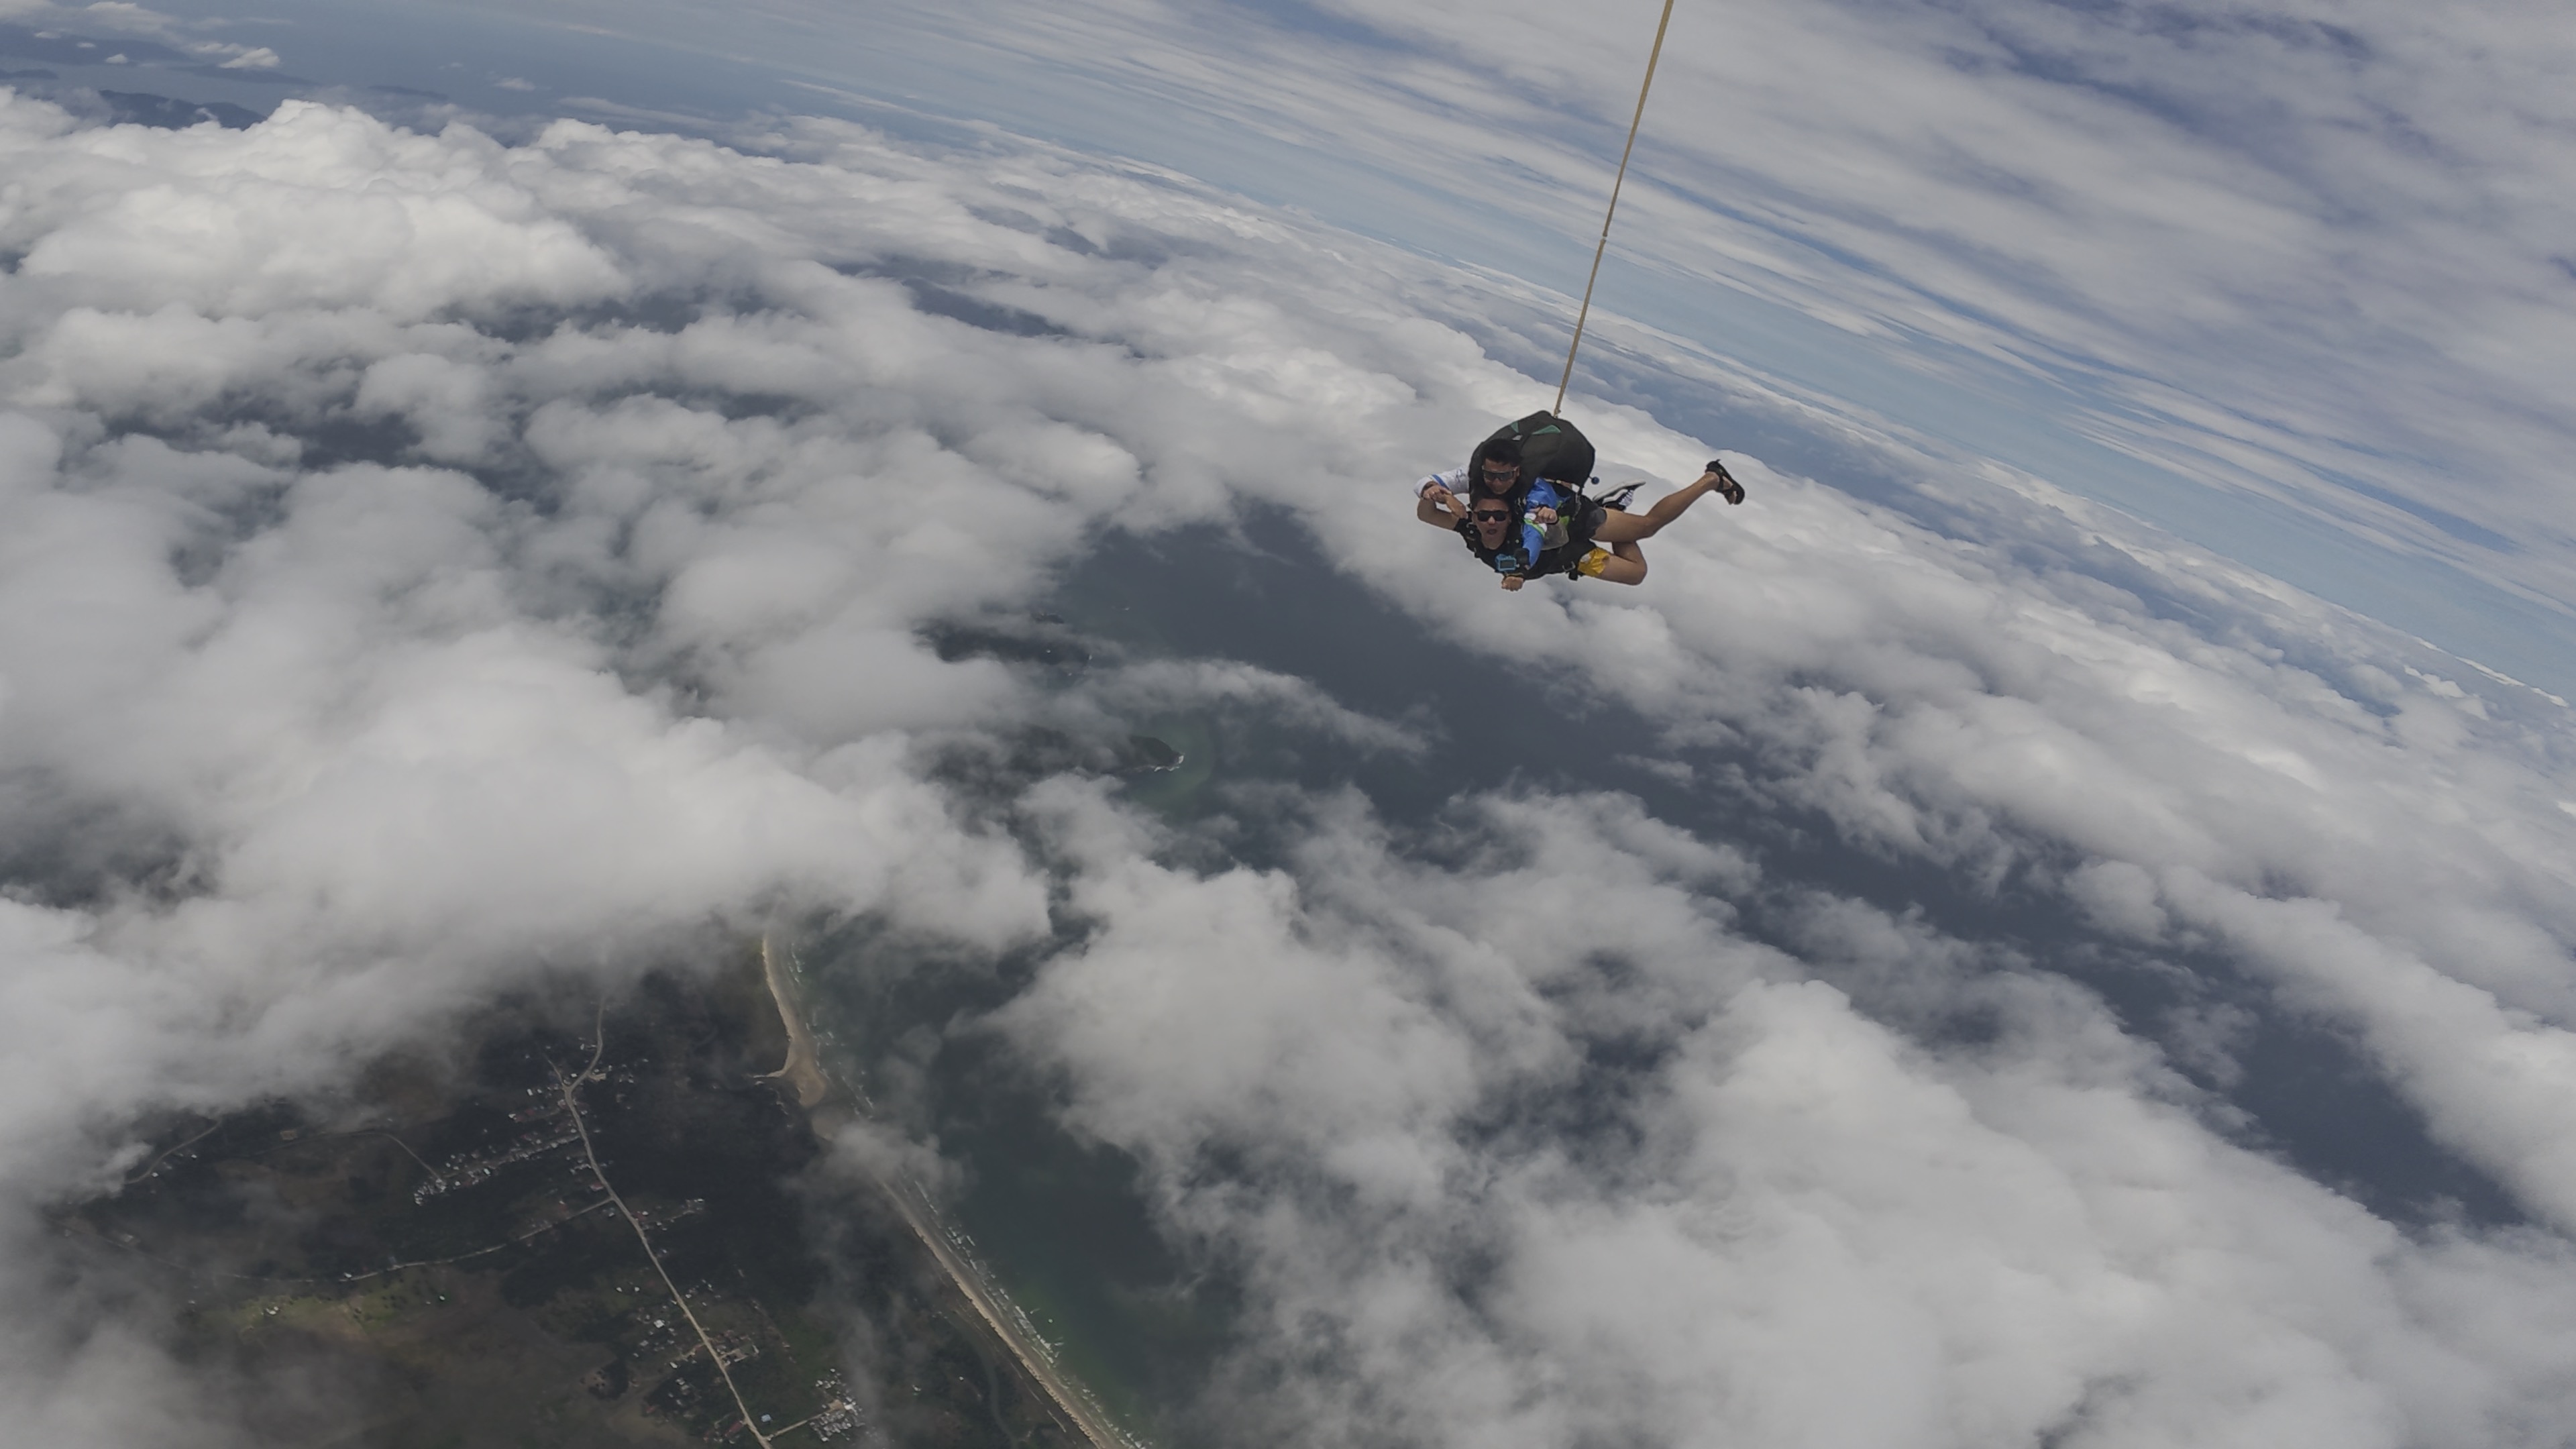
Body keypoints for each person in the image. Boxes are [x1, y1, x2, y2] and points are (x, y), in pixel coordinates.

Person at [1414, 443, 1745, 590]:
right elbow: (1426, 514)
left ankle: (1712, 479)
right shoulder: (1470, 526)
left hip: (1573, 521)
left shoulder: (1521, 512)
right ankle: (1614, 511)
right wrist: (1436, 493)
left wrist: (1517, 574)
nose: (1490, 522)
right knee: (1636, 575)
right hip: (1570, 555)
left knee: (1648, 528)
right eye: (1484, 516)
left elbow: (1529, 537)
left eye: (1497, 517)